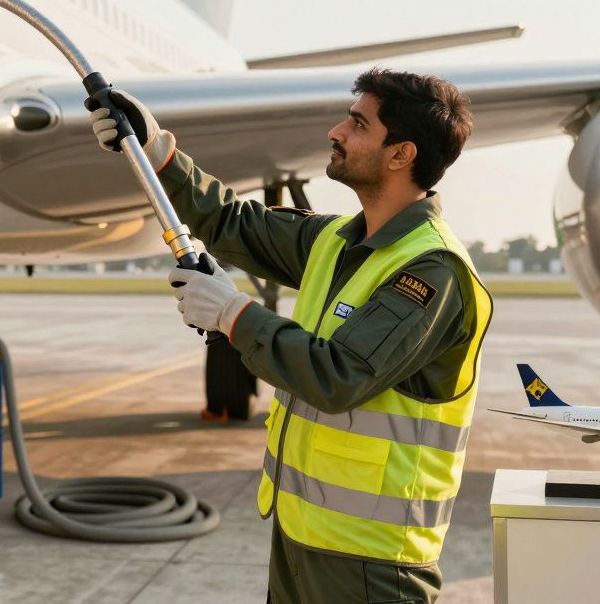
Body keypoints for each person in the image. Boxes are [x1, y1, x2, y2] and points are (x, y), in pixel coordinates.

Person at [90, 69, 492, 604]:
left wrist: (233, 314)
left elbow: (338, 376)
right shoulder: (337, 241)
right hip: (303, 533)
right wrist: (156, 151)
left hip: (371, 560)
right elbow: (233, 222)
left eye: (357, 124)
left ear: (401, 154)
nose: (336, 132)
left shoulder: (432, 272)